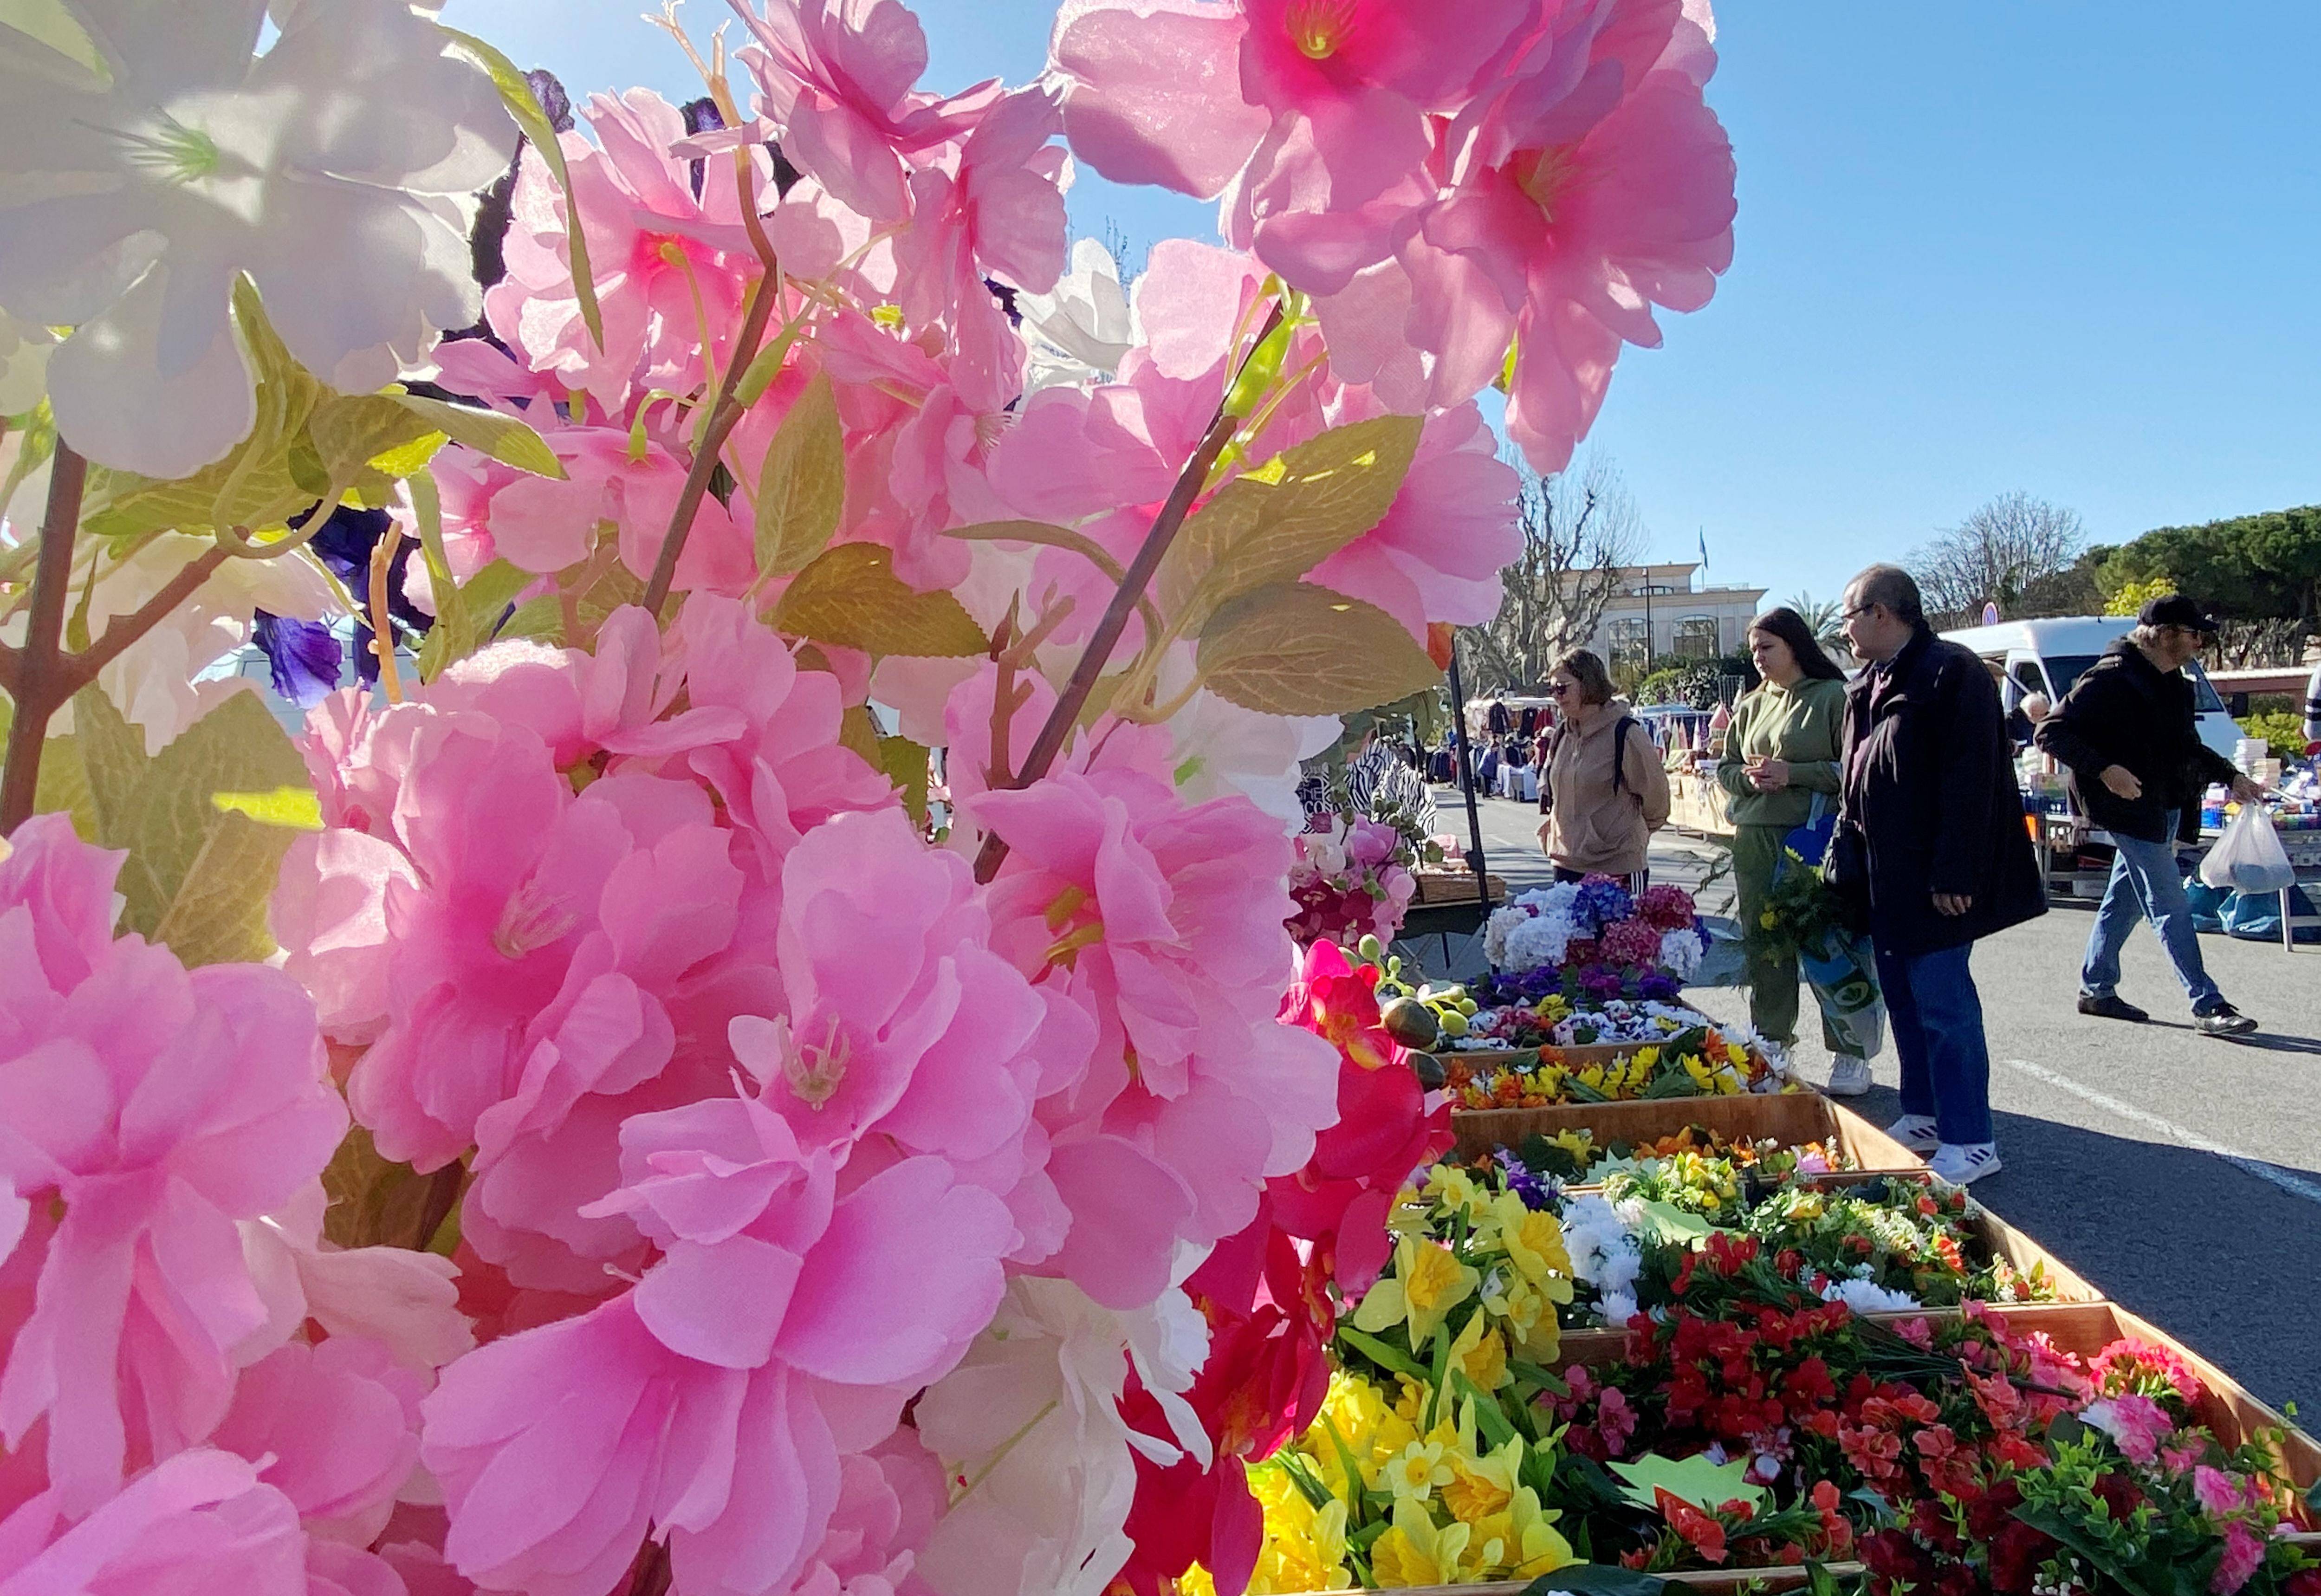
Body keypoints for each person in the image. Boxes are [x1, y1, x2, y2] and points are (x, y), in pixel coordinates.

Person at [1829, 566, 2044, 1185]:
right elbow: (1855, 786)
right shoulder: (1867, 684)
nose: (1843, 628)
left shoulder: (1952, 673)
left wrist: (1957, 870)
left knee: (1945, 1003)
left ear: (1882, 613)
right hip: (1884, 875)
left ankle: (1973, 1137)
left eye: (1848, 614)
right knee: (1903, 995)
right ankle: (1923, 1112)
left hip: (1936, 877)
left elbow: (1972, 781)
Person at [2035, 596, 2263, 1036]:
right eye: (2194, 634)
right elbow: (2050, 731)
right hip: (2130, 810)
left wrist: (2231, 777)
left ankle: (2096, 989)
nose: (2200, 642)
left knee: (2124, 901)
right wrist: (2106, 770)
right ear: (2166, 635)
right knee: (2168, 901)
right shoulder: (2109, 679)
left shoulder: (2173, 681)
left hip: (2166, 804)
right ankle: (2207, 1004)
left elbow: (2186, 747)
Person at [1716, 608, 1865, 1096]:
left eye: (1767, 648)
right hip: (1754, 837)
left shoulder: (1831, 698)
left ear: (1795, 646)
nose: (1757, 658)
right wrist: (1747, 778)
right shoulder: (1751, 704)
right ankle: (1771, 1041)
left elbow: (1854, 769)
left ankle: (1849, 1050)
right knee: (1766, 944)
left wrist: (1793, 774)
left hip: (1812, 835)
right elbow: (1725, 767)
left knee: (1827, 944)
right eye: (1754, 648)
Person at [1537, 648, 1670, 893]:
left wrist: (1623, 837)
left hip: (1618, 868)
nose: (1556, 696)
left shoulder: (1626, 734)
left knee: (1622, 932)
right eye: (1552, 690)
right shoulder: (1561, 736)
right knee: (1571, 933)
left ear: (1588, 684)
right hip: (1566, 864)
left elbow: (1657, 801)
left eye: (1562, 688)